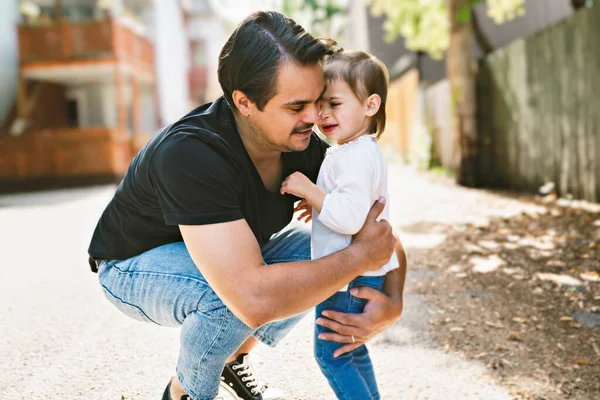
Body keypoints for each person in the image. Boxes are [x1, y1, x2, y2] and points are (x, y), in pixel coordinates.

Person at [87, 11, 406, 400]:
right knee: (230, 298)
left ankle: (233, 359)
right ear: (245, 103)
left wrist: (392, 300)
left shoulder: (304, 146)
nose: (315, 117)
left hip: (228, 254)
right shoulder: (191, 153)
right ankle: (185, 390)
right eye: (296, 106)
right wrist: (358, 260)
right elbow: (252, 298)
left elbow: (376, 233)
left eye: (319, 101)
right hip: (133, 265)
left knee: (320, 250)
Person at [280, 44, 398, 399]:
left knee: (331, 354)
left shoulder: (357, 155)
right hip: (356, 269)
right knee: (350, 348)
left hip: (350, 274)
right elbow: (349, 205)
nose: (323, 114)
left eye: (335, 104)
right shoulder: (352, 149)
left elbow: (348, 218)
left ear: (370, 105)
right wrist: (319, 205)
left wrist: (308, 190)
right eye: (321, 104)